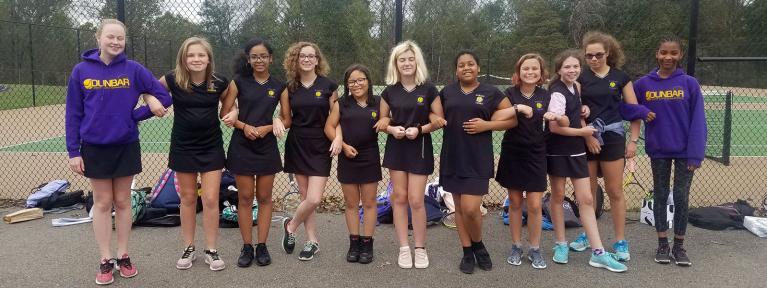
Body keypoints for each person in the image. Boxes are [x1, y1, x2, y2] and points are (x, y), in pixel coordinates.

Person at [65, 19, 171, 285]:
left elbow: (164, 97)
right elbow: (73, 114)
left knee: (123, 201)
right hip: (94, 148)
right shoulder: (81, 71)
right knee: (102, 203)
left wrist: (136, 114)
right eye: (110, 37)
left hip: (125, 144)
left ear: (124, 42)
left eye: (120, 38)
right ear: (99, 38)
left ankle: (123, 255)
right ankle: (105, 258)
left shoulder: (134, 70)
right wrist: (73, 151)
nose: (115, 42)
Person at [570, 31, 653, 261]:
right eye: (589, 56)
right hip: (586, 139)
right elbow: (575, 110)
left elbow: (634, 111)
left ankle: (620, 241)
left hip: (613, 139)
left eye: (598, 55)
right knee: (587, 193)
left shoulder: (621, 77)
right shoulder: (580, 79)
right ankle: (589, 235)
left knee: (615, 191)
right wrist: (588, 137)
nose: (594, 59)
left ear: (608, 53)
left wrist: (633, 141)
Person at [544, 49, 626, 272]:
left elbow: (573, 114)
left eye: (575, 67)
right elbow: (554, 128)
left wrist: (582, 111)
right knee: (558, 195)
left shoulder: (577, 87)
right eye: (567, 67)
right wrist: (583, 133)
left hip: (577, 151)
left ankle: (598, 252)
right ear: (559, 70)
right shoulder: (556, 93)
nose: (572, 70)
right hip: (558, 150)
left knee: (586, 199)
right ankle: (561, 244)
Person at [158, 37, 230, 271]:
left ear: (208, 58)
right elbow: (148, 91)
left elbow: (230, 107)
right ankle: (188, 247)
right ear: (183, 59)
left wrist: (234, 113)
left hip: (211, 146)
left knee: (210, 199)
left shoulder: (220, 82)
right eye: (191, 55)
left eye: (201, 55)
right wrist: (152, 103)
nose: (196, 59)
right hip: (183, 146)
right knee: (188, 198)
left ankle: (211, 249)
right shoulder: (172, 79)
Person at [633, 36, 706, 266]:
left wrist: (695, 153)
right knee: (662, 195)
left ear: (680, 55)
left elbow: (698, 121)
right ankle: (662, 243)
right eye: (664, 52)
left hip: (685, 152)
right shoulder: (643, 84)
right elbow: (625, 106)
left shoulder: (689, 83)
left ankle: (679, 246)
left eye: (673, 53)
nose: (668, 57)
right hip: (659, 150)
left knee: (682, 197)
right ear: (657, 54)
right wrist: (642, 111)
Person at [440, 50, 512, 274]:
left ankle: (478, 244)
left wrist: (486, 125)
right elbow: (433, 116)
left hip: (478, 158)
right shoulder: (447, 92)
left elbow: (512, 119)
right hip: (452, 156)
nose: (466, 68)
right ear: (456, 70)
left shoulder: (491, 92)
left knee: (472, 209)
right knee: (460, 209)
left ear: (478, 68)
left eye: (470, 64)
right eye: (461, 65)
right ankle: (467, 251)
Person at [376, 40, 443, 269]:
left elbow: (438, 118)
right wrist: (391, 128)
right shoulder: (389, 91)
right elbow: (382, 119)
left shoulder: (428, 88)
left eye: (410, 59)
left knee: (416, 200)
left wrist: (421, 129)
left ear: (417, 62)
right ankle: (404, 247)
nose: (406, 63)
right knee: (400, 198)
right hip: (397, 148)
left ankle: (420, 248)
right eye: (402, 59)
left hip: (420, 147)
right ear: (396, 63)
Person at [221, 38, 286, 268]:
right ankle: (247, 246)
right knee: (246, 198)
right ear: (249, 59)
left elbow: (287, 118)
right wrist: (243, 126)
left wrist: (268, 127)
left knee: (265, 198)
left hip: (267, 147)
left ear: (271, 58)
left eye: (263, 56)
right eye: (255, 56)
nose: (259, 60)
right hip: (242, 146)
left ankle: (262, 246)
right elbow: (225, 112)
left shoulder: (279, 85)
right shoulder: (239, 82)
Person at [495, 53, 560, 270]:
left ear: (541, 73)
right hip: (513, 152)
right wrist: (517, 108)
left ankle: (535, 248)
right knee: (514, 202)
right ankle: (516, 245)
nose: (530, 72)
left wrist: (558, 116)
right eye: (526, 69)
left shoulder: (547, 95)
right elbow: (496, 117)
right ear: (518, 72)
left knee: (534, 204)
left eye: (535, 69)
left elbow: (561, 115)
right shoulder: (510, 94)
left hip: (536, 154)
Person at [279, 42, 339, 261]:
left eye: (310, 56)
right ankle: (312, 241)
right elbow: (285, 118)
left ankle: (291, 225)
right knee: (306, 197)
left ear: (317, 60)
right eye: (302, 56)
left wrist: (339, 136)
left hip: (320, 145)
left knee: (313, 198)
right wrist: (276, 122)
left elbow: (336, 116)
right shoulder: (289, 88)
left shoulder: (329, 86)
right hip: (297, 144)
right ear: (296, 60)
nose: (306, 59)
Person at [325, 64, 382, 264]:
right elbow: (329, 127)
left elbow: (389, 119)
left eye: (361, 80)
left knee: (369, 203)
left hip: (370, 156)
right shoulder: (342, 104)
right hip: (347, 157)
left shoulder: (379, 102)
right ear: (347, 85)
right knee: (351, 203)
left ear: (368, 81)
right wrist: (343, 144)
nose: (357, 84)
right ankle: (354, 242)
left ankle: (367, 243)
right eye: (352, 81)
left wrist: (387, 121)